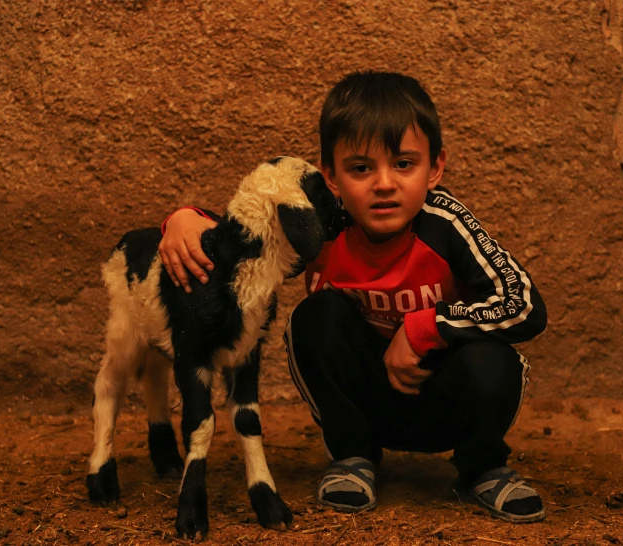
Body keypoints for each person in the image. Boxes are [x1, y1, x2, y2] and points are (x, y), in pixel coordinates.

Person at [158, 71, 548, 523]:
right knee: (313, 318)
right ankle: (352, 458)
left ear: (435, 168)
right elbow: (243, 234)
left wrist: (426, 328)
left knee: (493, 359)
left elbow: (525, 304)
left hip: (445, 398)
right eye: (361, 168)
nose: (384, 183)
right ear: (332, 176)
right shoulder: (322, 224)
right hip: (366, 405)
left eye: (404, 164)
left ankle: (484, 467)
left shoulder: (446, 223)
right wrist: (185, 219)